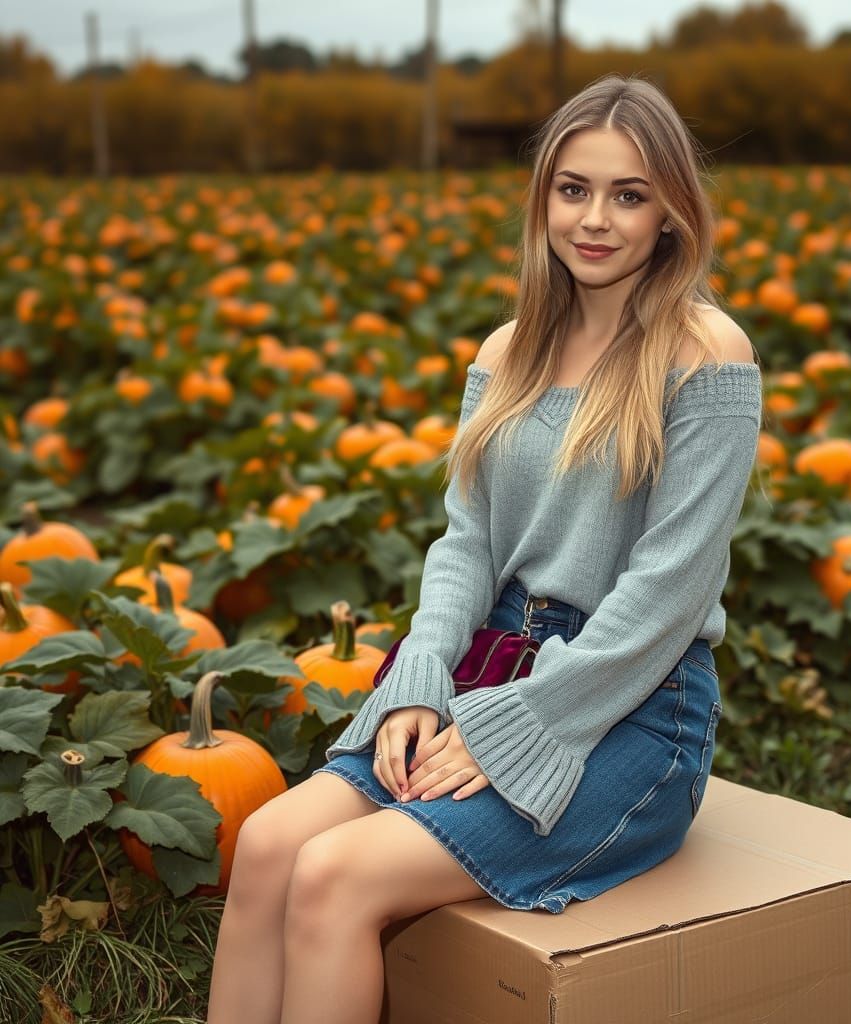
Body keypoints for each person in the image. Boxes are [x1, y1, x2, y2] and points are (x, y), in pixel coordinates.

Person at [206, 72, 764, 1024]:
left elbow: (669, 594)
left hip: (630, 704)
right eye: (574, 188)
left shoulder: (705, 352)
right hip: (488, 666)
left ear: (673, 210)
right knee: (266, 844)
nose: (596, 219)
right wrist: (420, 682)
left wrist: (521, 725)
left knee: (338, 874)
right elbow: (464, 546)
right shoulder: (507, 352)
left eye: (629, 195)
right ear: (544, 195)